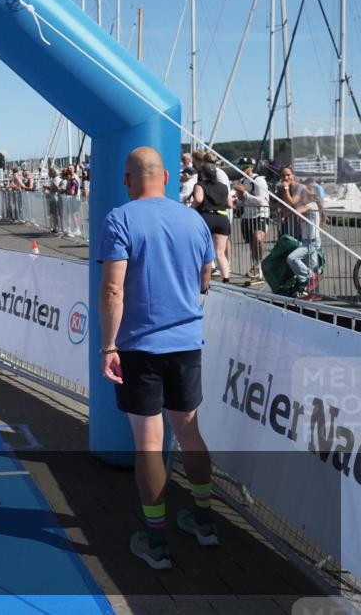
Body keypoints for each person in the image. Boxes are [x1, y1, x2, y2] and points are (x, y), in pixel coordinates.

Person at [98, 146, 217, 571]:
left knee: (148, 443)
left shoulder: (120, 219)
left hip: (140, 348)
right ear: (166, 176)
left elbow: (114, 289)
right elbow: (206, 277)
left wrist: (108, 345)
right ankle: (204, 520)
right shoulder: (194, 219)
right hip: (186, 342)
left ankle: (156, 540)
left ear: (128, 180)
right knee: (189, 433)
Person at [191, 163, 232, 284]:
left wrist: (190, 208)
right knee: (220, 252)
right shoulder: (224, 186)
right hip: (222, 218)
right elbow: (229, 204)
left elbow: (198, 200)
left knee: (203, 249)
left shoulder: (200, 185)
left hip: (206, 218)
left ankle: (203, 279)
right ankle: (226, 278)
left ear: (202, 174)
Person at [234, 158, 270, 280]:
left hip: (260, 215)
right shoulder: (242, 180)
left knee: (258, 239)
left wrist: (244, 194)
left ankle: (260, 266)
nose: (243, 168)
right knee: (252, 245)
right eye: (241, 166)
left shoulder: (259, 180)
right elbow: (242, 201)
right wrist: (237, 201)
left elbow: (261, 201)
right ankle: (256, 266)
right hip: (247, 216)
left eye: (246, 166)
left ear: (252, 167)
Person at [287, 183, 323, 300]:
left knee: (292, 258)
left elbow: (297, 211)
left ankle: (309, 277)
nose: (301, 197)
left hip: (312, 241)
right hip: (306, 240)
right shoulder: (306, 206)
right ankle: (313, 293)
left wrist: (295, 202)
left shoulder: (312, 205)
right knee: (312, 266)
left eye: (302, 195)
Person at [276, 166, 306, 238]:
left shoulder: (300, 187)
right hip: (285, 225)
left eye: (288, 175)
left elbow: (291, 202)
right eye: (283, 175)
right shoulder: (280, 188)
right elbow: (272, 202)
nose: (286, 178)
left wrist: (286, 188)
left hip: (300, 226)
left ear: (293, 175)